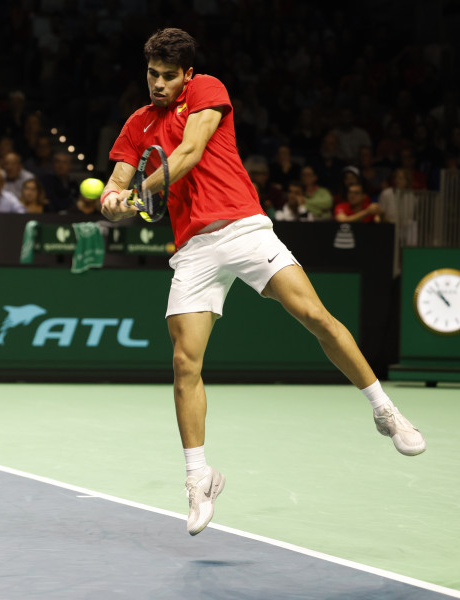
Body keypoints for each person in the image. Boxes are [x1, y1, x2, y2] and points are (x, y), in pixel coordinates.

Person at [99, 28, 425, 538]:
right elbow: (117, 184)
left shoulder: (208, 89)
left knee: (314, 315)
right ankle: (198, 477)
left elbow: (187, 154)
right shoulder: (138, 123)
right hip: (194, 249)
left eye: (167, 76)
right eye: (151, 74)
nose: (157, 84)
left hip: (243, 227)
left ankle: (386, 412)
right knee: (185, 361)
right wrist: (113, 201)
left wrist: (137, 189)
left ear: (186, 74)